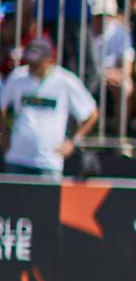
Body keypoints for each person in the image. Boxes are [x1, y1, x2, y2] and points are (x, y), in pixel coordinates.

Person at [0, 33, 98, 176]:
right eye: (30, 62)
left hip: (48, 161)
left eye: (36, 62)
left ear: (49, 60)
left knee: (48, 199)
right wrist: (4, 137)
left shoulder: (65, 81)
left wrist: (72, 142)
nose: (32, 66)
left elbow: (91, 113)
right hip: (17, 158)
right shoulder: (17, 77)